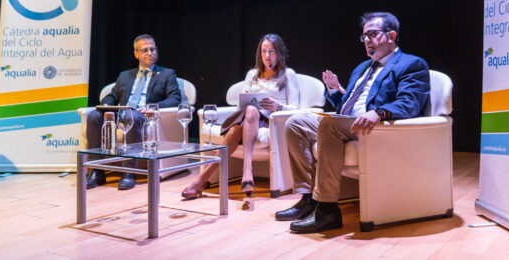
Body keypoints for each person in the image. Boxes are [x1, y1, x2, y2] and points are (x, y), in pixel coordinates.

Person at [275, 12, 431, 233]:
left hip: (374, 127)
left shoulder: (411, 64)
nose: (366, 40)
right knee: (295, 123)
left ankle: (327, 210)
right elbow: (345, 107)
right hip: (348, 122)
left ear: (391, 35)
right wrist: (334, 90)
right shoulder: (362, 68)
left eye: (372, 34)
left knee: (328, 126)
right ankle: (308, 198)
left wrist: (379, 113)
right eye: (364, 36)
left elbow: (410, 103)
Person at [181, 33, 300, 199]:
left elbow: (296, 108)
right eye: (263, 51)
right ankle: (246, 171)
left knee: (237, 128)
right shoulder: (252, 74)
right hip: (249, 119)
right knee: (248, 112)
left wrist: (278, 106)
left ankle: (202, 180)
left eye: (271, 51)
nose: (267, 56)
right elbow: (240, 108)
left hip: (272, 122)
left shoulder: (288, 74)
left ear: (279, 52)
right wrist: (245, 97)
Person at [85, 34, 181, 190]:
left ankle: (129, 172)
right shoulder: (125, 76)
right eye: (145, 50)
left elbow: (175, 98)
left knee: (134, 116)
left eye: (153, 49)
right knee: (94, 116)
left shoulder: (167, 74)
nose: (150, 53)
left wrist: (153, 107)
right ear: (136, 53)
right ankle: (97, 170)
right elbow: (112, 96)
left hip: (142, 116)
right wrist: (106, 104)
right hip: (121, 114)